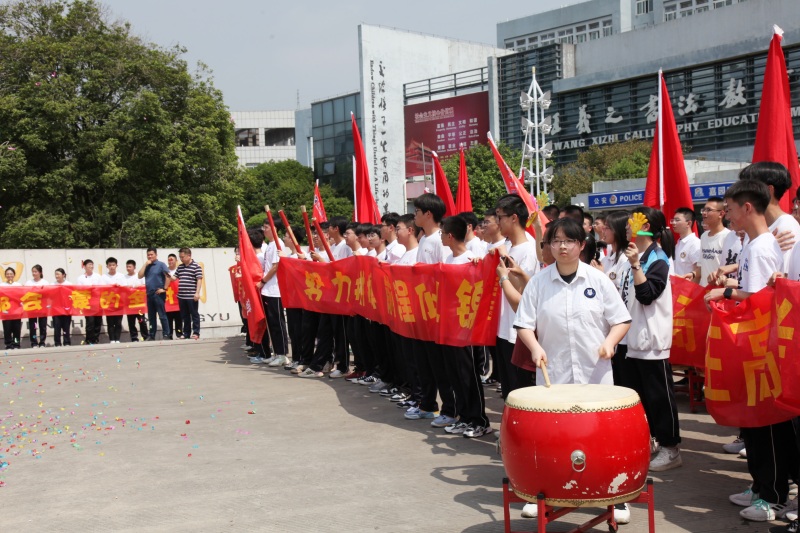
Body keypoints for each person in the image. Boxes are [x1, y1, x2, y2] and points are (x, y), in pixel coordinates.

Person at [705, 178, 798, 523]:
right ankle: (761, 486)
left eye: (729, 210)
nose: (727, 216)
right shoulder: (753, 244)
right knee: (754, 422)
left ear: (747, 208)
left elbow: (761, 300)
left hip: (761, 350)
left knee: (765, 423)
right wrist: (732, 285)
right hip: (754, 348)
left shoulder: (760, 248)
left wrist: (728, 293)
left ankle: (772, 495)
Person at [514, 217, 631, 385]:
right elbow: (524, 323)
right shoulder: (537, 283)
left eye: (569, 241)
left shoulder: (599, 279)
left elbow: (621, 320)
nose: (562, 246)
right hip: (554, 372)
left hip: (594, 372)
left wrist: (610, 343)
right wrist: (535, 348)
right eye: (556, 241)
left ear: (581, 245)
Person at [618, 206, 681, 473]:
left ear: (645, 227)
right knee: (639, 398)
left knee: (660, 398)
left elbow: (647, 295)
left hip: (650, 340)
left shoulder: (658, 259)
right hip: (629, 341)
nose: (627, 227)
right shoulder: (630, 257)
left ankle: (670, 447)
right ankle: (650, 441)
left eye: (631, 222)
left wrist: (635, 265)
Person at [438, 215, 492, 438]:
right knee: (454, 374)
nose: (441, 237)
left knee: (468, 374)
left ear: (450, 236)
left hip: (465, 328)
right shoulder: (448, 260)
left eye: (442, 233)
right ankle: (464, 417)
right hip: (449, 328)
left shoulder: (472, 259)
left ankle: (480, 420)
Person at [404, 193, 455, 426]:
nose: (414, 215)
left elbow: (444, 275)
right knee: (423, 362)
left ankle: (449, 409)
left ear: (428, 214)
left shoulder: (439, 240)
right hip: (422, 309)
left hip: (436, 312)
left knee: (439, 365)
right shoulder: (424, 239)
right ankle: (427, 404)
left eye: (416, 211)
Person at [495, 194, 540, 400]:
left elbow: (524, 298)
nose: (498, 222)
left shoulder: (529, 250)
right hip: (505, 329)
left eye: (500, 217)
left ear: (514, 218)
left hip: (518, 333)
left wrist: (504, 277)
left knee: (520, 394)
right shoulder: (510, 248)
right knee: (508, 392)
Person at [256, 224, 289, 368]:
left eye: (267, 227)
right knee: (271, 323)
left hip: (276, 290)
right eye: (263, 227)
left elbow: (276, 266)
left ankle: (282, 354)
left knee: (278, 323)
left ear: (274, 228)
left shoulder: (278, 244)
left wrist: (263, 281)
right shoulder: (270, 245)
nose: (264, 230)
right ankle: (276, 353)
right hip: (268, 290)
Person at [696, 197, 734, 286]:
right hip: (704, 290)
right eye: (704, 210)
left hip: (720, 290)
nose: (704, 213)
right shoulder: (704, 236)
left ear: (721, 214)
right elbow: (701, 267)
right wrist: (692, 274)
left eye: (708, 210)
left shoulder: (729, 236)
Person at [138, 248, 172, 341]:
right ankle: (152, 335)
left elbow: (168, 276)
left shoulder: (161, 265)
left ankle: (166, 334)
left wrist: (164, 289)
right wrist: (145, 264)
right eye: (148, 255)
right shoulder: (147, 266)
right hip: (149, 293)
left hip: (158, 294)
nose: (150, 256)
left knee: (162, 315)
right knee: (151, 316)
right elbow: (139, 275)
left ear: (156, 255)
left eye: (151, 254)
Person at [171, 248, 203, 341]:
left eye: (183, 257)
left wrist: (197, 293)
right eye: (180, 257)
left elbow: (199, 279)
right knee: (185, 316)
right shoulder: (180, 267)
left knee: (194, 314)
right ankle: (186, 333)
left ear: (189, 255)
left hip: (191, 295)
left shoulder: (196, 266)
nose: (181, 259)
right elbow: (174, 278)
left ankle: (196, 332)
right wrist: (167, 275)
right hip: (181, 296)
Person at [76, 259, 102, 344]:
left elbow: (102, 287)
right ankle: (89, 339)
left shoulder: (98, 276)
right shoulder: (80, 278)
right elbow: (79, 290)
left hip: (97, 302)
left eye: (92, 264)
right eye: (89, 264)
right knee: (90, 322)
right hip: (87, 303)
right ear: (84, 266)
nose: (91, 266)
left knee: (98, 321)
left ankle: (96, 338)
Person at [101, 257, 126, 343]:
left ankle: (117, 339)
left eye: (113, 265)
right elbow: (102, 289)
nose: (112, 267)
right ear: (107, 266)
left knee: (118, 322)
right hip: (109, 303)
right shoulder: (104, 277)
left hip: (119, 302)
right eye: (110, 265)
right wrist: (111, 286)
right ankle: (112, 339)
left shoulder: (121, 276)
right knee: (110, 322)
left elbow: (125, 288)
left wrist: (119, 286)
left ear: (116, 266)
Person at [671, 207, 701, 279]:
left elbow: (699, 270)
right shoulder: (678, 243)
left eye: (677, 220)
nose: (673, 223)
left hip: (689, 285)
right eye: (673, 220)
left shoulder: (695, 243)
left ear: (688, 223)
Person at [24, 264, 49, 347]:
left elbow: (48, 294)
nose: (34, 273)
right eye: (33, 272)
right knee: (33, 326)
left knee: (43, 326)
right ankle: (34, 342)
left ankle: (42, 342)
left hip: (42, 307)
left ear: (40, 272)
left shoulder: (45, 282)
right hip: (32, 307)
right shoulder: (28, 283)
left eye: (35, 272)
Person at [124, 260, 149, 342]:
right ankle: (134, 337)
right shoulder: (124, 277)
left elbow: (145, 285)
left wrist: (137, 286)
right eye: (127, 267)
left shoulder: (139, 276)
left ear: (134, 267)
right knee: (131, 322)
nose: (128, 268)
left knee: (141, 320)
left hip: (139, 303)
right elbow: (122, 288)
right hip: (129, 304)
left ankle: (145, 336)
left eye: (130, 266)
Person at [2, 267, 22, 349]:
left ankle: (16, 344)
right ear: (5, 275)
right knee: (7, 329)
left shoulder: (18, 285)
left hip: (16, 310)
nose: (9, 275)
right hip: (6, 311)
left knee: (16, 329)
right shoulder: (2, 285)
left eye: (11, 274)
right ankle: (8, 344)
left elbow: (22, 296)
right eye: (7, 274)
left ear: (14, 275)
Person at [52, 268, 72, 347]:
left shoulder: (69, 284)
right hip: (56, 310)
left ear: (63, 275)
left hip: (66, 309)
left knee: (66, 326)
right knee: (57, 327)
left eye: (58, 274)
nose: (56, 276)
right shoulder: (52, 285)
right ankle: (57, 343)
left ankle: (66, 342)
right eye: (55, 274)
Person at [166, 253, 183, 339]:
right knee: (168, 319)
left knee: (179, 319)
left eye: (172, 260)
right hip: (168, 299)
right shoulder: (165, 271)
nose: (170, 261)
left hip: (178, 298)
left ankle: (179, 334)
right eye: (169, 260)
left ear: (176, 260)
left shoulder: (180, 270)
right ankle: (169, 335)